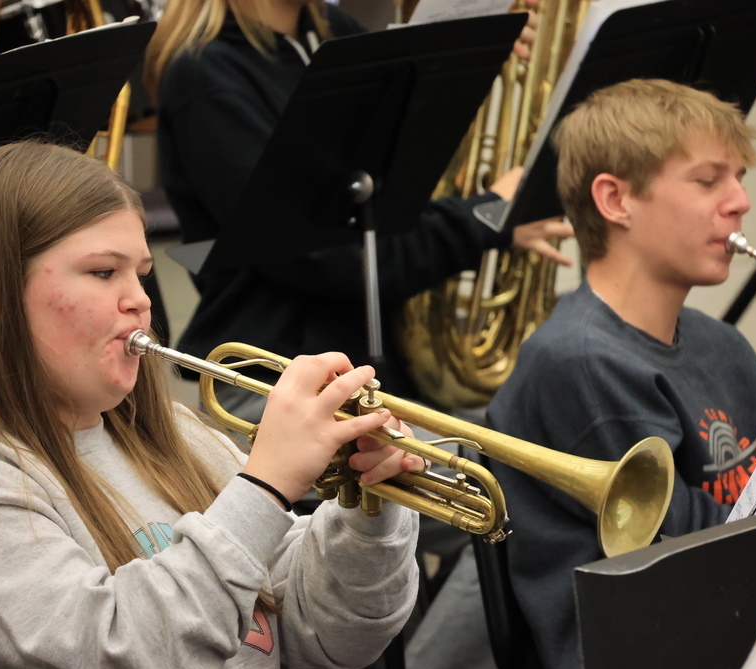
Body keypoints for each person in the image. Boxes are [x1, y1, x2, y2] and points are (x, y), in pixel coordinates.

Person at [0, 140, 426, 669]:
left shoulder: (181, 437)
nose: (140, 300)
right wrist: (264, 486)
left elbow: (329, 637)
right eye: (103, 273)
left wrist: (368, 515)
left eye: (141, 273)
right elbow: (112, 660)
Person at [485, 78, 756, 669]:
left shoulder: (723, 345)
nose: (739, 201)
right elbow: (735, 579)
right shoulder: (580, 364)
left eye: (739, 178)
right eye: (709, 180)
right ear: (615, 200)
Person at [142, 0, 573, 419]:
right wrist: (482, 219)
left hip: (376, 368)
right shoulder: (206, 73)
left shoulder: (334, 31)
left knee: (543, 411)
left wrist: (468, 63)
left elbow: (399, 195)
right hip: (278, 383)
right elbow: (327, 258)